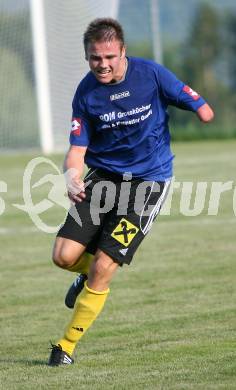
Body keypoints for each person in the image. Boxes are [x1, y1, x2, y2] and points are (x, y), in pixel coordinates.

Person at [48, 18, 214, 366]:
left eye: (109, 56)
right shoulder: (85, 93)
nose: (103, 64)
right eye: (95, 58)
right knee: (63, 256)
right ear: (87, 57)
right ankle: (87, 274)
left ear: (123, 52)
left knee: (105, 265)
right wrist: (72, 176)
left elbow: (200, 106)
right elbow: (76, 149)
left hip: (148, 184)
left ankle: (65, 347)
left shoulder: (151, 74)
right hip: (103, 178)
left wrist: (199, 108)